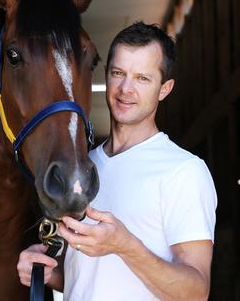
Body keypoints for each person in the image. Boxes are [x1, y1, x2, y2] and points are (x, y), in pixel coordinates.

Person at [17, 22, 217, 300]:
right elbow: (88, 280)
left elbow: (195, 292)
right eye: (118, 73)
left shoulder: (184, 171)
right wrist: (49, 274)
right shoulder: (84, 169)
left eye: (142, 78)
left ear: (165, 89)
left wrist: (125, 246)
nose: (126, 89)